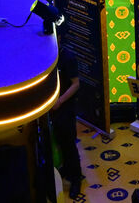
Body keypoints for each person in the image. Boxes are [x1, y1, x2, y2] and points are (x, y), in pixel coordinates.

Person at [52, 36, 84, 197]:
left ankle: (76, 178)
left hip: (65, 108)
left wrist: (60, 101)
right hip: (53, 108)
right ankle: (66, 168)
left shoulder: (68, 57)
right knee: (59, 140)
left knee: (69, 143)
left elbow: (76, 84)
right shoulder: (49, 57)